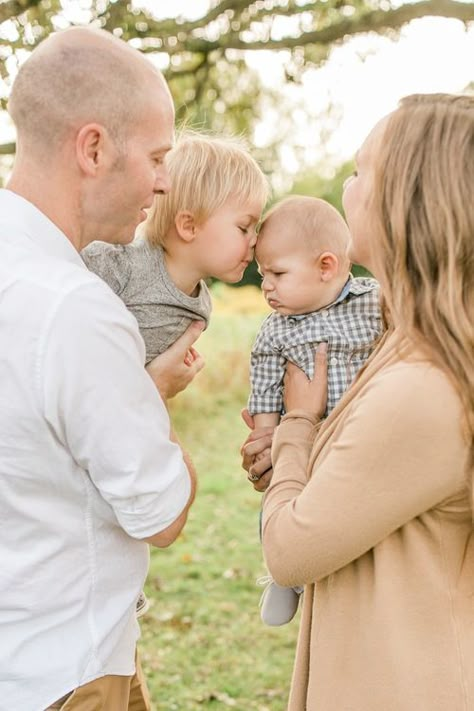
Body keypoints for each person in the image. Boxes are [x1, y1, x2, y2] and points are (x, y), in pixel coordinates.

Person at [242, 93, 474, 710]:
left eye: (360, 170)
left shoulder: (425, 383)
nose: (346, 185)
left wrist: (295, 424)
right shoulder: (403, 338)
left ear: (406, 199)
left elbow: (289, 552)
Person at [0, 27, 205, 711]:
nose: (164, 180)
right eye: (156, 154)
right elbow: (162, 512)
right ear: (93, 148)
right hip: (65, 671)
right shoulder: (77, 309)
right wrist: (154, 394)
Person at [248, 196, 382, 625]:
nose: (266, 285)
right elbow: (266, 386)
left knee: (353, 511)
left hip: (364, 437)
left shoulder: (374, 303)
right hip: (303, 447)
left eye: (278, 273)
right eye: (262, 274)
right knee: (285, 503)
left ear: (326, 266)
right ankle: (284, 576)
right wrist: (266, 439)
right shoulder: (275, 330)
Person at [82, 131, 269, 365]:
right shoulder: (121, 263)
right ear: (189, 226)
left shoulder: (201, 306)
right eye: (244, 228)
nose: (254, 240)